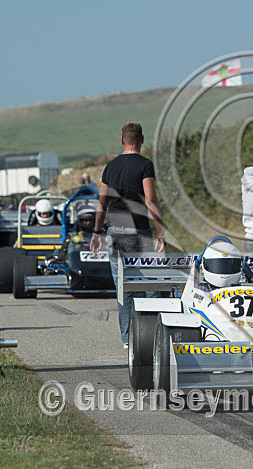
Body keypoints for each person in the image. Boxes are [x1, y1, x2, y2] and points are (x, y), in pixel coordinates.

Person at [90, 122, 165, 348]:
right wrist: (160, 231)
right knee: (150, 284)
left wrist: (97, 232)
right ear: (141, 140)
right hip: (139, 232)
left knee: (123, 287)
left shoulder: (110, 167)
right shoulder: (145, 165)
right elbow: (150, 199)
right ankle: (152, 336)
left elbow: (102, 203)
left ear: (122, 140)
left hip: (115, 233)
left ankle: (127, 339)